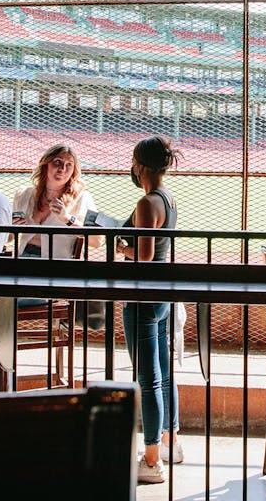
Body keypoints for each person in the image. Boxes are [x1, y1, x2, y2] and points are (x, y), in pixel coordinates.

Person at [117, 136, 184, 484]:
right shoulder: (168, 199)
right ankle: (172, 441)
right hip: (163, 295)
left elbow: (143, 256)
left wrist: (120, 246)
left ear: (140, 166)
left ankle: (152, 458)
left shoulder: (146, 203)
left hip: (142, 297)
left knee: (148, 379)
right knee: (164, 373)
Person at [12, 143, 100, 259]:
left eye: (69, 165)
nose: (62, 169)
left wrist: (67, 219)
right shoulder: (23, 194)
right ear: (45, 164)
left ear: (74, 170)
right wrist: (11, 227)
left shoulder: (83, 198)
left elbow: (96, 240)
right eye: (57, 162)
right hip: (21, 259)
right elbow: (8, 237)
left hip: (58, 264)